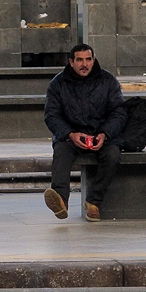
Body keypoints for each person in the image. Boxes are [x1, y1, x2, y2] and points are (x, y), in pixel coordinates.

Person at [43, 44, 126, 222]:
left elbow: (119, 112)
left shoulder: (108, 81)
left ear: (93, 60)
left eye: (88, 59)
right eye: (79, 60)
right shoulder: (58, 84)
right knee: (61, 152)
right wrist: (70, 134)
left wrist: (105, 133)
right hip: (71, 135)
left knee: (112, 155)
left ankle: (93, 202)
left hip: (102, 135)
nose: (84, 64)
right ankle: (60, 200)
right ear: (71, 62)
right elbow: (51, 116)